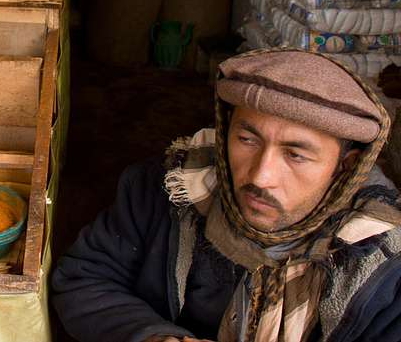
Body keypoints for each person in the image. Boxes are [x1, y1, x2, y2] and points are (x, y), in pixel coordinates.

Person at [52, 49, 401, 342]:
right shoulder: (166, 187)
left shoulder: (383, 263)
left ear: (345, 167)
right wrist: (155, 337)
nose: (261, 176)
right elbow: (85, 277)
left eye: (295, 155)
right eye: (246, 140)